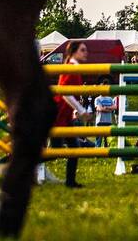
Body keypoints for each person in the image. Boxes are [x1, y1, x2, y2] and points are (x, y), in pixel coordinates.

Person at [51, 41, 89, 188]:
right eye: (83, 50)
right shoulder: (71, 67)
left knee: (71, 149)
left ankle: (70, 182)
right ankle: (15, 163)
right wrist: (81, 110)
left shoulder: (75, 67)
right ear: (73, 52)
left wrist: (75, 110)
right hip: (58, 113)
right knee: (56, 152)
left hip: (65, 115)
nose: (86, 53)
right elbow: (65, 93)